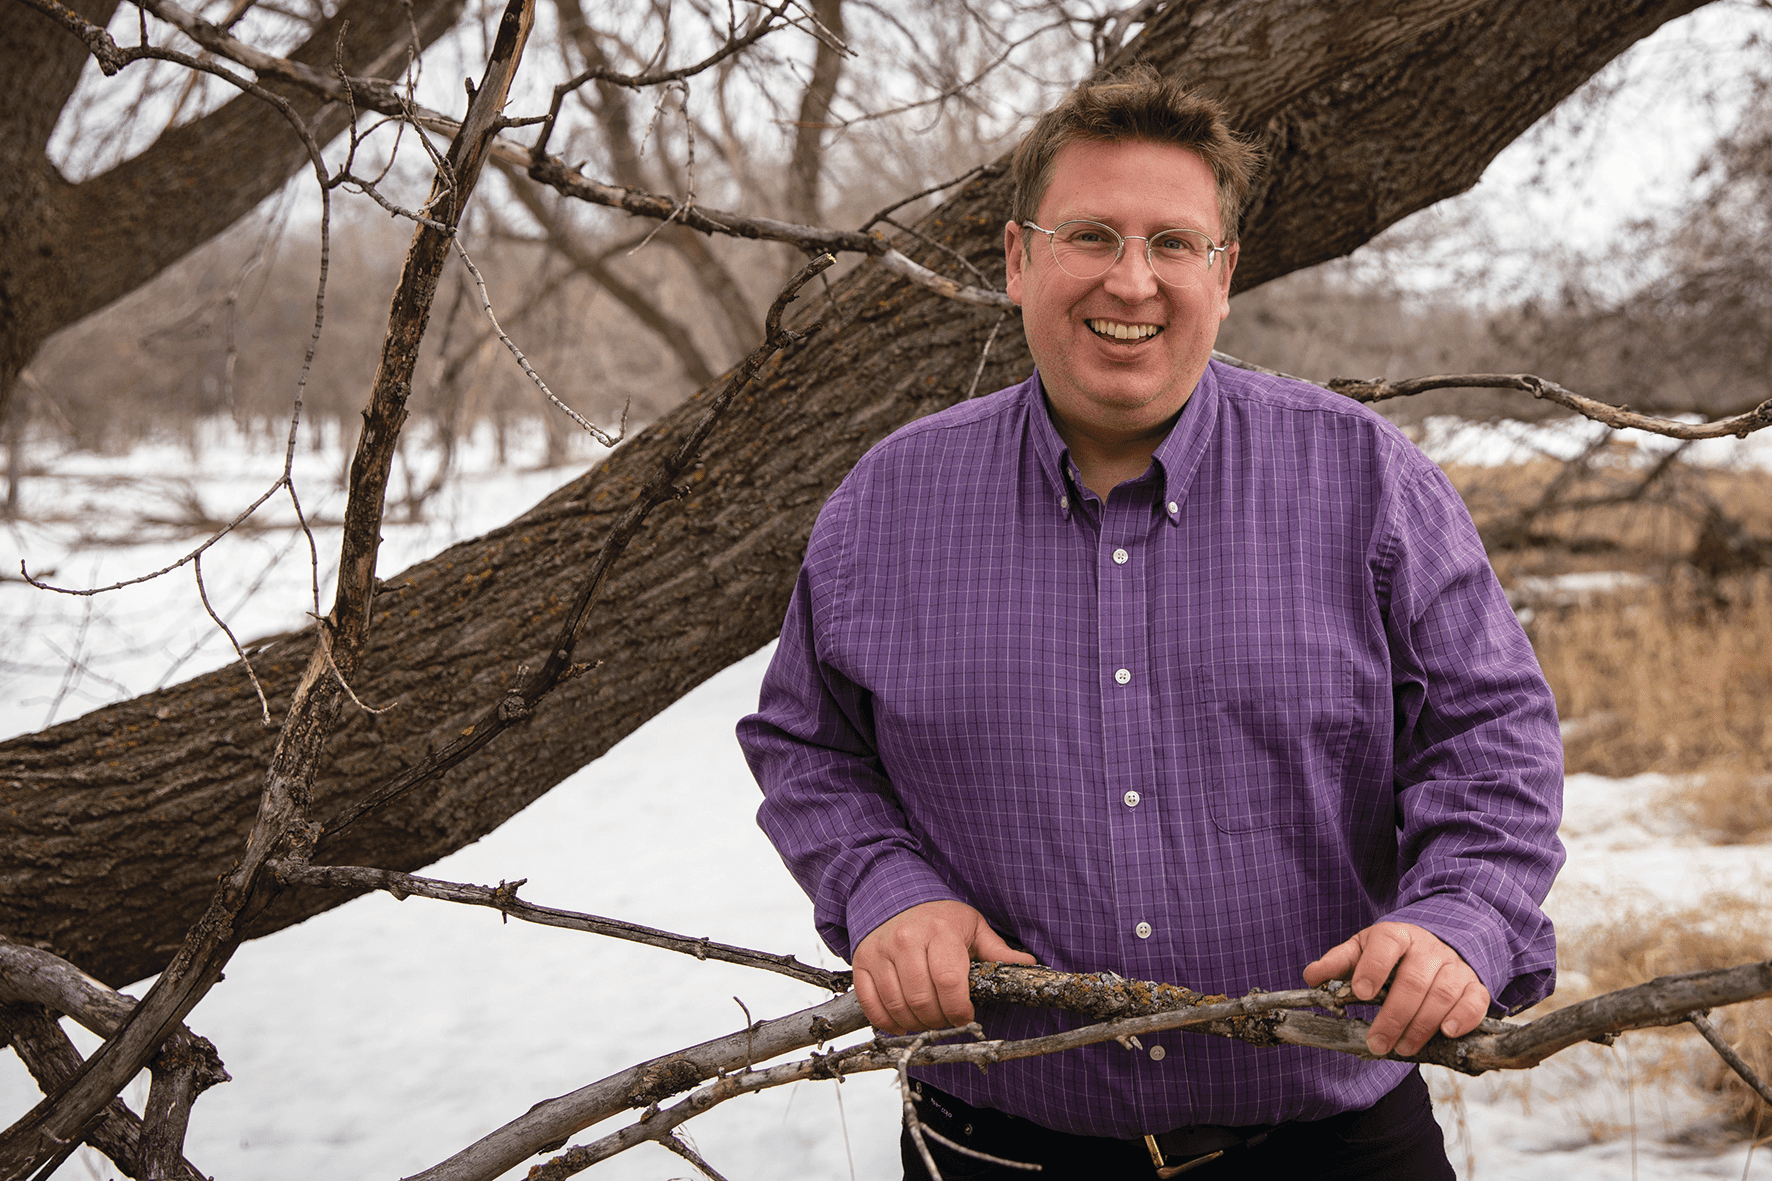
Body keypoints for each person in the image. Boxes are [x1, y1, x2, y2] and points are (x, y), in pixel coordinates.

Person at [737, 66, 1563, 1179]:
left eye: (1173, 243)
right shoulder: (887, 504)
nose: (1132, 279)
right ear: (1019, 255)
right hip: (996, 1150)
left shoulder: (1364, 480)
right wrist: (887, 890)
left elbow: (1492, 737)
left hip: (1329, 1141)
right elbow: (807, 745)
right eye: (1090, 234)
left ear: (1222, 272)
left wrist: (1461, 914)